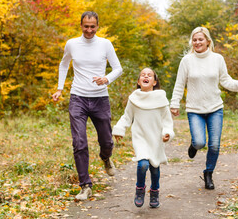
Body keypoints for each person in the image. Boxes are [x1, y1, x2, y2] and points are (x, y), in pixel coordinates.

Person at [170, 27, 238, 190]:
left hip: (215, 108)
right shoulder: (187, 61)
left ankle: (208, 173)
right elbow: (179, 84)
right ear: (192, 42)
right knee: (200, 142)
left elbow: (226, 81)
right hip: (195, 109)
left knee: (214, 145)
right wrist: (174, 103)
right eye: (195, 40)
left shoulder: (217, 59)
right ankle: (194, 144)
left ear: (208, 41)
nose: (197, 42)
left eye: (201, 39)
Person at [52, 11, 122, 200]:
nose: (89, 30)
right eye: (86, 26)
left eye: (92, 26)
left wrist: (106, 79)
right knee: (79, 142)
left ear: (97, 26)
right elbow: (64, 64)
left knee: (107, 141)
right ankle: (85, 185)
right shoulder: (72, 44)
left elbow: (118, 68)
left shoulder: (105, 44)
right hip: (78, 99)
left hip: (100, 99)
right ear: (81, 25)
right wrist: (60, 88)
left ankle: (106, 157)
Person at [112, 68, 175, 208]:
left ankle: (154, 191)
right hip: (140, 137)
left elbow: (167, 121)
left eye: (149, 75)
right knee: (143, 164)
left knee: (154, 167)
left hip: (156, 139)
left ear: (154, 82)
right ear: (139, 82)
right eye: (142, 75)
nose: (146, 76)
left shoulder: (161, 99)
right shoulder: (134, 99)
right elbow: (126, 117)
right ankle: (140, 189)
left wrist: (167, 133)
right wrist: (119, 129)